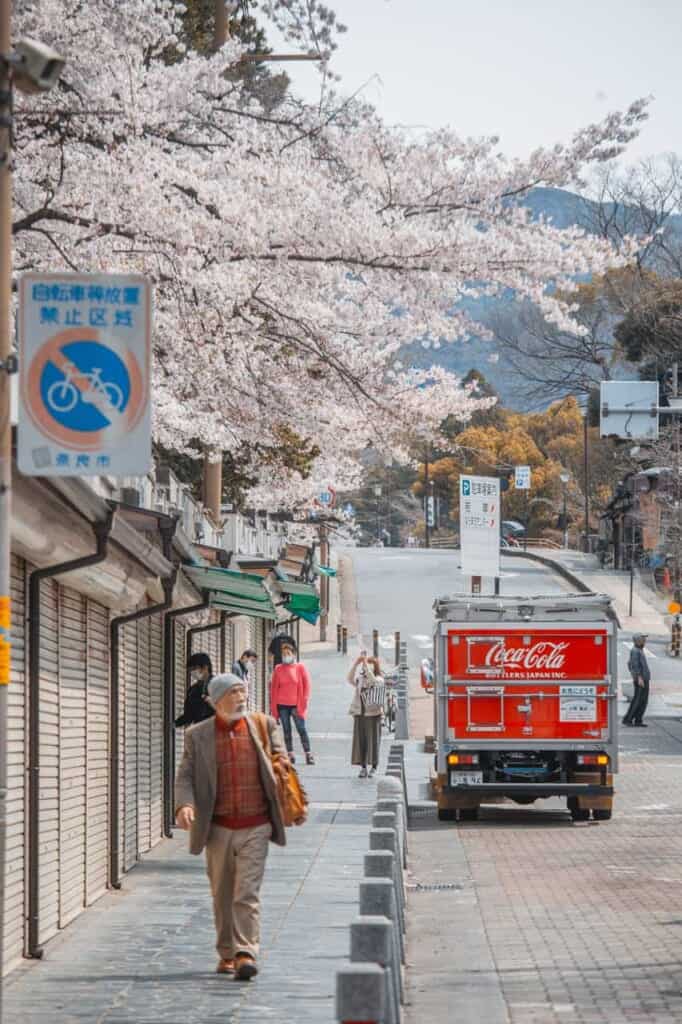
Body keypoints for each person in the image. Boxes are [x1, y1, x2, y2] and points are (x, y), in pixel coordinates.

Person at [175, 673, 288, 980]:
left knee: (246, 891)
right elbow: (185, 775)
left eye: (242, 691)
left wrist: (280, 767)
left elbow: (281, 759)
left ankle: (245, 952)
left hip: (257, 825)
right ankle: (227, 952)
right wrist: (184, 805)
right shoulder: (198, 736)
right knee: (222, 892)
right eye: (233, 693)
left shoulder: (264, 725)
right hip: (218, 828)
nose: (240, 698)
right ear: (215, 701)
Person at [270, 642, 315, 765]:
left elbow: (307, 687)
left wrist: (304, 703)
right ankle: (290, 754)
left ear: (293, 654)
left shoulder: (300, 668)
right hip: (282, 705)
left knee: (301, 729)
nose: (286, 656)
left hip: (296, 705)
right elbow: (273, 690)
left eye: (288, 653)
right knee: (286, 730)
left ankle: (308, 754)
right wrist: (274, 711)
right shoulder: (278, 669)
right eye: (284, 654)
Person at [347, 651, 384, 778]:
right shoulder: (361, 679)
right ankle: (363, 767)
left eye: (369, 665)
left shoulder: (379, 679)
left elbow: (373, 680)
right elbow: (349, 679)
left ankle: (374, 767)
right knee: (361, 741)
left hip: (373, 715)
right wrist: (356, 664)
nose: (365, 667)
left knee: (373, 740)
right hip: (360, 713)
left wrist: (365, 664)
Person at [174, 652, 214, 727]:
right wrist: (175, 724)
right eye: (190, 670)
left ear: (205, 667)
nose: (192, 673)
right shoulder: (193, 690)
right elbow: (188, 715)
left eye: (194, 669)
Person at [623, 633, 651, 727]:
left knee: (643, 700)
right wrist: (638, 677)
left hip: (644, 678)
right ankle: (628, 719)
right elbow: (634, 665)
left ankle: (638, 720)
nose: (644, 641)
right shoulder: (635, 651)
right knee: (638, 700)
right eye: (643, 639)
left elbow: (629, 663)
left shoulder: (639, 650)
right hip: (641, 679)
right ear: (638, 641)